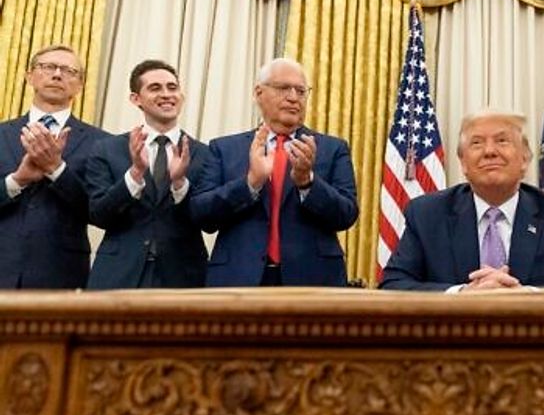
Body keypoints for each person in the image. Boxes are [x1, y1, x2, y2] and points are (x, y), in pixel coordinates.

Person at [380, 109, 544, 292]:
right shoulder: (426, 214)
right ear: (463, 164)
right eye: (477, 143)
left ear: (525, 160)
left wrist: (528, 297)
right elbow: (393, 285)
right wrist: (460, 295)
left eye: (502, 141)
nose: (489, 151)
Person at [190, 58, 359, 286]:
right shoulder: (224, 148)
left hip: (312, 282)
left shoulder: (332, 148)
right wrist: (251, 183)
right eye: (283, 88)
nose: (293, 97)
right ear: (259, 93)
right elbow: (203, 215)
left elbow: (346, 214)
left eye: (301, 91)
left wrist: (307, 182)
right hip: (238, 280)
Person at [85, 60, 210, 288]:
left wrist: (180, 183)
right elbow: (98, 215)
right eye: (155, 88)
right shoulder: (107, 149)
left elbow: (207, 219)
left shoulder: (204, 153)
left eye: (172, 88)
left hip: (182, 276)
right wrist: (135, 174)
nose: (166, 94)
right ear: (136, 99)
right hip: (118, 274)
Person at [0, 44, 109, 288]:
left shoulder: (102, 143)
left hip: (60, 273)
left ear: (80, 86)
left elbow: (101, 211)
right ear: (29, 76)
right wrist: (17, 180)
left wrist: (57, 170)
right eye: (48, 67)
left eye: (69, 71)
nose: (57, 74)